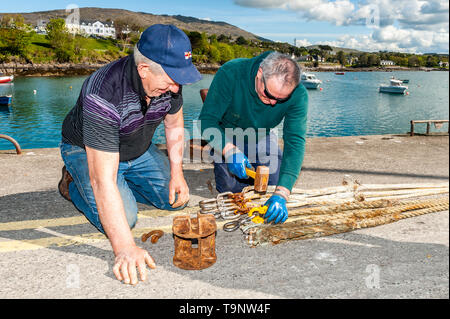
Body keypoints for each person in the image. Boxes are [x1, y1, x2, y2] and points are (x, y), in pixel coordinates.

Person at [58, 24, 201, 285]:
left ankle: (125, 182)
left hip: (138, 148)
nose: (175, 90)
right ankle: (73, 181)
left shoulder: (170, 85)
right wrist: (125, 248)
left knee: (176, 199)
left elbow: (174, 124)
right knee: (126, 220)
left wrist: (177, 174)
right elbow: (103, 180)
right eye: (171, 82)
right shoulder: (102, 92)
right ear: (144, 69)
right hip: (86, 149)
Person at [198, 51, 308, 225]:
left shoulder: (299, 94)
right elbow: (207, 121)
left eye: (281, 99)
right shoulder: (231, 72)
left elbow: (295, 141)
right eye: (269, 95)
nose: (273, 103)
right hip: (227, 135)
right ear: (259, 74)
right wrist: (229, 151)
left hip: (263, 134)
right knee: (232, 193)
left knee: (273, 185)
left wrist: (282, 193)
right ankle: (221, 156)